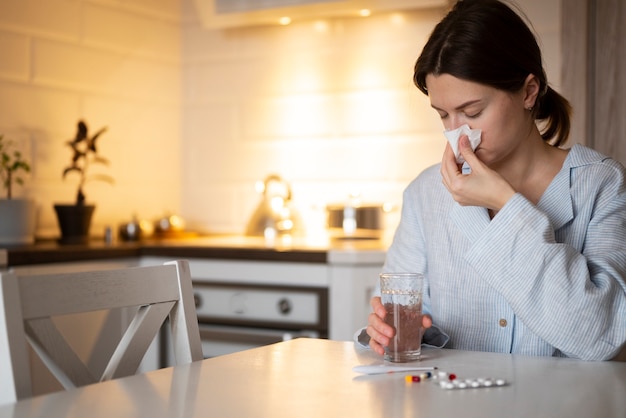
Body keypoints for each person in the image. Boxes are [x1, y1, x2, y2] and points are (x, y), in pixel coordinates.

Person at [357, 0, 626, 361]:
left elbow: (601, 338)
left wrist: (507, 206)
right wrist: (395, 335)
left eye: (473, 112)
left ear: (529, 92)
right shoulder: (426, 194)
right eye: (444, 116)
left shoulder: (602, 186)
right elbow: (394, 318)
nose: (458, 137)